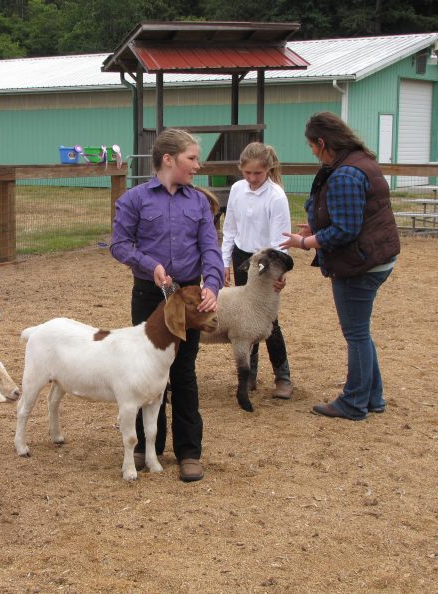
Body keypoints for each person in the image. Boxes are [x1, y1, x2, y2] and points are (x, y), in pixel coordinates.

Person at [110, 128, 224, 482]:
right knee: (147, 371)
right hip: (149, 296)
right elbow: (119, 245)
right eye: (191, 158)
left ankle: (189, 451)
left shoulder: (199, 202)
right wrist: (150, 265)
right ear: (168, 159)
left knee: (183, 372)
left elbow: (210, 248)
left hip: (189, 299)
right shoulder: (134, 199)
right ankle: (149, 447)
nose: (197, 165)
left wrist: (213, 285)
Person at [280, 112, 400, 421]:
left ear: (322, 142)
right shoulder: (362, 161)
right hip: (376, 256)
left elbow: (346, 229)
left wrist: (305, 242)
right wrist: (317, 226)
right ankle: (372, 397)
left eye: (311, 146)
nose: (312, 152)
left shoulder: (346, 173)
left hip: (358, 263)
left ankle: (354, 401)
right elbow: (354, 215)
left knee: (356, 334)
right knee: (361, 332)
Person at [220, 142, 293, 400]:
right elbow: (230, 228)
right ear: (241, 170)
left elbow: (281, 241)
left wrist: (278, 274)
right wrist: (224, 261)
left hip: (267, 263)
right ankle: (250, 374)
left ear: (268, 170)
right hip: (243, 258)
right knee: (244, 319)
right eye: (247, 173)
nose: (252, 178)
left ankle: (283, 376)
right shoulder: (238, 189)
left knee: (268, 321)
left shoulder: (276, 197)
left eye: (258, 174)